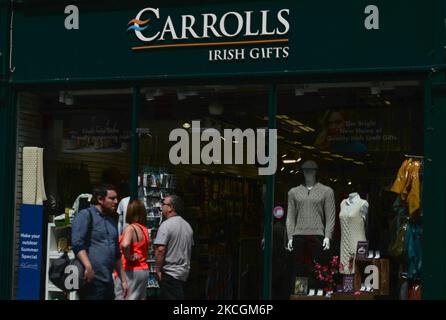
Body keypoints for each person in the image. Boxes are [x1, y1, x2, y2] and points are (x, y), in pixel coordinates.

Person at [286, 160, 335, 292]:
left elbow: (330, 216)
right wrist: (290, 236)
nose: (308, 173)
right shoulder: (293, 192)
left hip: (317, 235)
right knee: (300, 269)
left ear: (315, 172)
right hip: (298, 236)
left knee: (317, 269)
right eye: (306, 170)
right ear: (302, 172)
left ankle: (316, 293)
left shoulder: (327, 191)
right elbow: (290, 216)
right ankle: (300, 294)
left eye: (311, 170)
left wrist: (327, 235)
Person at [72, 184, 128, 300]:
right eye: (112, 198)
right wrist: (88, 266)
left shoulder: (112, 221)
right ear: (100, 199)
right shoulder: (86, 215)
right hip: (91, 280)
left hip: (108, 281)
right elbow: (77, 243)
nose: (116, 201)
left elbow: (117, 253)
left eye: (116, 198)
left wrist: (123, 280)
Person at [154, 195, 193, 300]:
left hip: (170, 274)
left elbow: (160, 249)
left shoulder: (166, 225)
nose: (161, 206)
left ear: (171, 208)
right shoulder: (187, 226)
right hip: (183, 274)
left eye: (163, 204)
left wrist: (157, 270)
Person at [114, 199, 150, 300]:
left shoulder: (130, 228)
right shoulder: (144, 229)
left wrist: (128, 256)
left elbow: (125, 244)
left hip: (129, 270)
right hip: (143, 270)